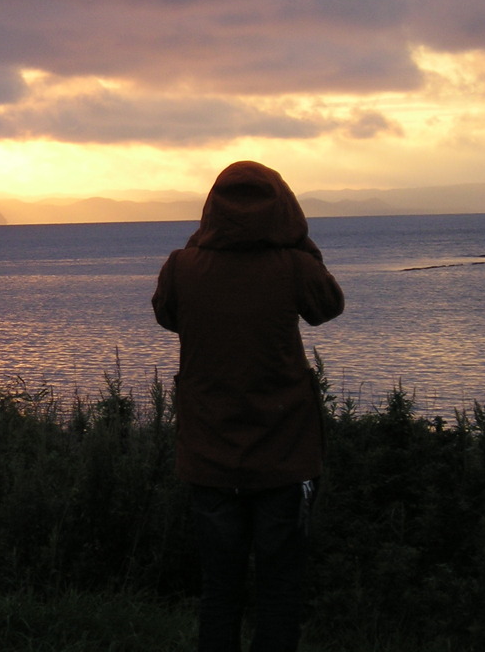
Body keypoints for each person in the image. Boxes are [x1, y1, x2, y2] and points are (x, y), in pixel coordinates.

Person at [151, 161, 344, 652]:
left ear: (211, 209)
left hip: (208, 453)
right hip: (285, 453)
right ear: (284, 209)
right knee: (280, 591)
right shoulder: (294, 267)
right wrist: (299, 242)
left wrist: (203, 245)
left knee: (219, 590)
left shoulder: (182, 266)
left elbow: (168, 315)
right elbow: (328, 307)